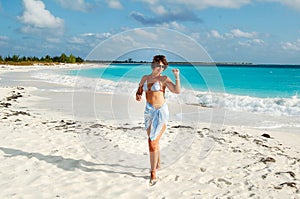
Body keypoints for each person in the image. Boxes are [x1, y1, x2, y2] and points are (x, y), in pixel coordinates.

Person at [136, 55, 180, 185]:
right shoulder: (145, 78)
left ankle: (153, 171)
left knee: (152, 142)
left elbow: (177, 91)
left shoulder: (164, 79)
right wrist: (138, 95)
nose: (160, 68)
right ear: (153, 65)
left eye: (162, 66)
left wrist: (177, 76)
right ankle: (158, 164)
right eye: (158, 65)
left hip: (160, 111)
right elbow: (139, 90)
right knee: (154, 140)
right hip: (148, 112)